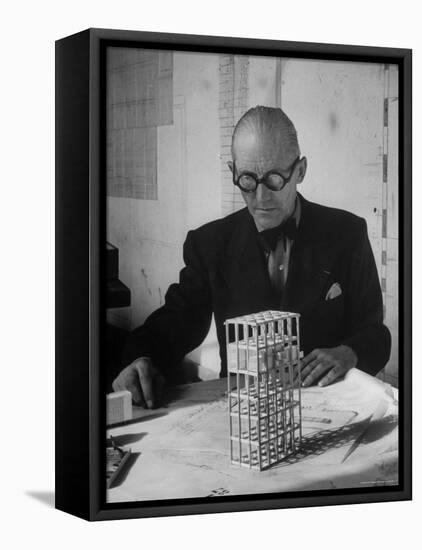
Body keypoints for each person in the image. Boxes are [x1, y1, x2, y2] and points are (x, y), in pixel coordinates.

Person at [112, 106, 391, 408]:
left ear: (300, 170)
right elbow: (175, 322)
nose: (260, 199)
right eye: (247, 180)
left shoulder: (347, 233)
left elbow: (375, 333)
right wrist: (140, 358)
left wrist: (349, 351)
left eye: (273, 180)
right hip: (241, 412)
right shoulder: (209, 244)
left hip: (328, 407)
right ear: (232, 172)